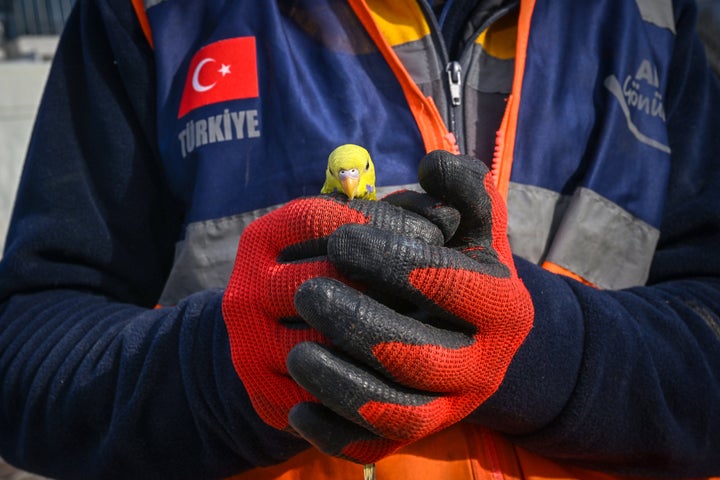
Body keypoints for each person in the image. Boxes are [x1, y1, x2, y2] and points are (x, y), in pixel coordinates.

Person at [1, 0, 719, 479]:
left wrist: (552, 354)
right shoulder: (150, 12)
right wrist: (216, 372)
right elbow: (25, 355)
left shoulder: (653, 15)